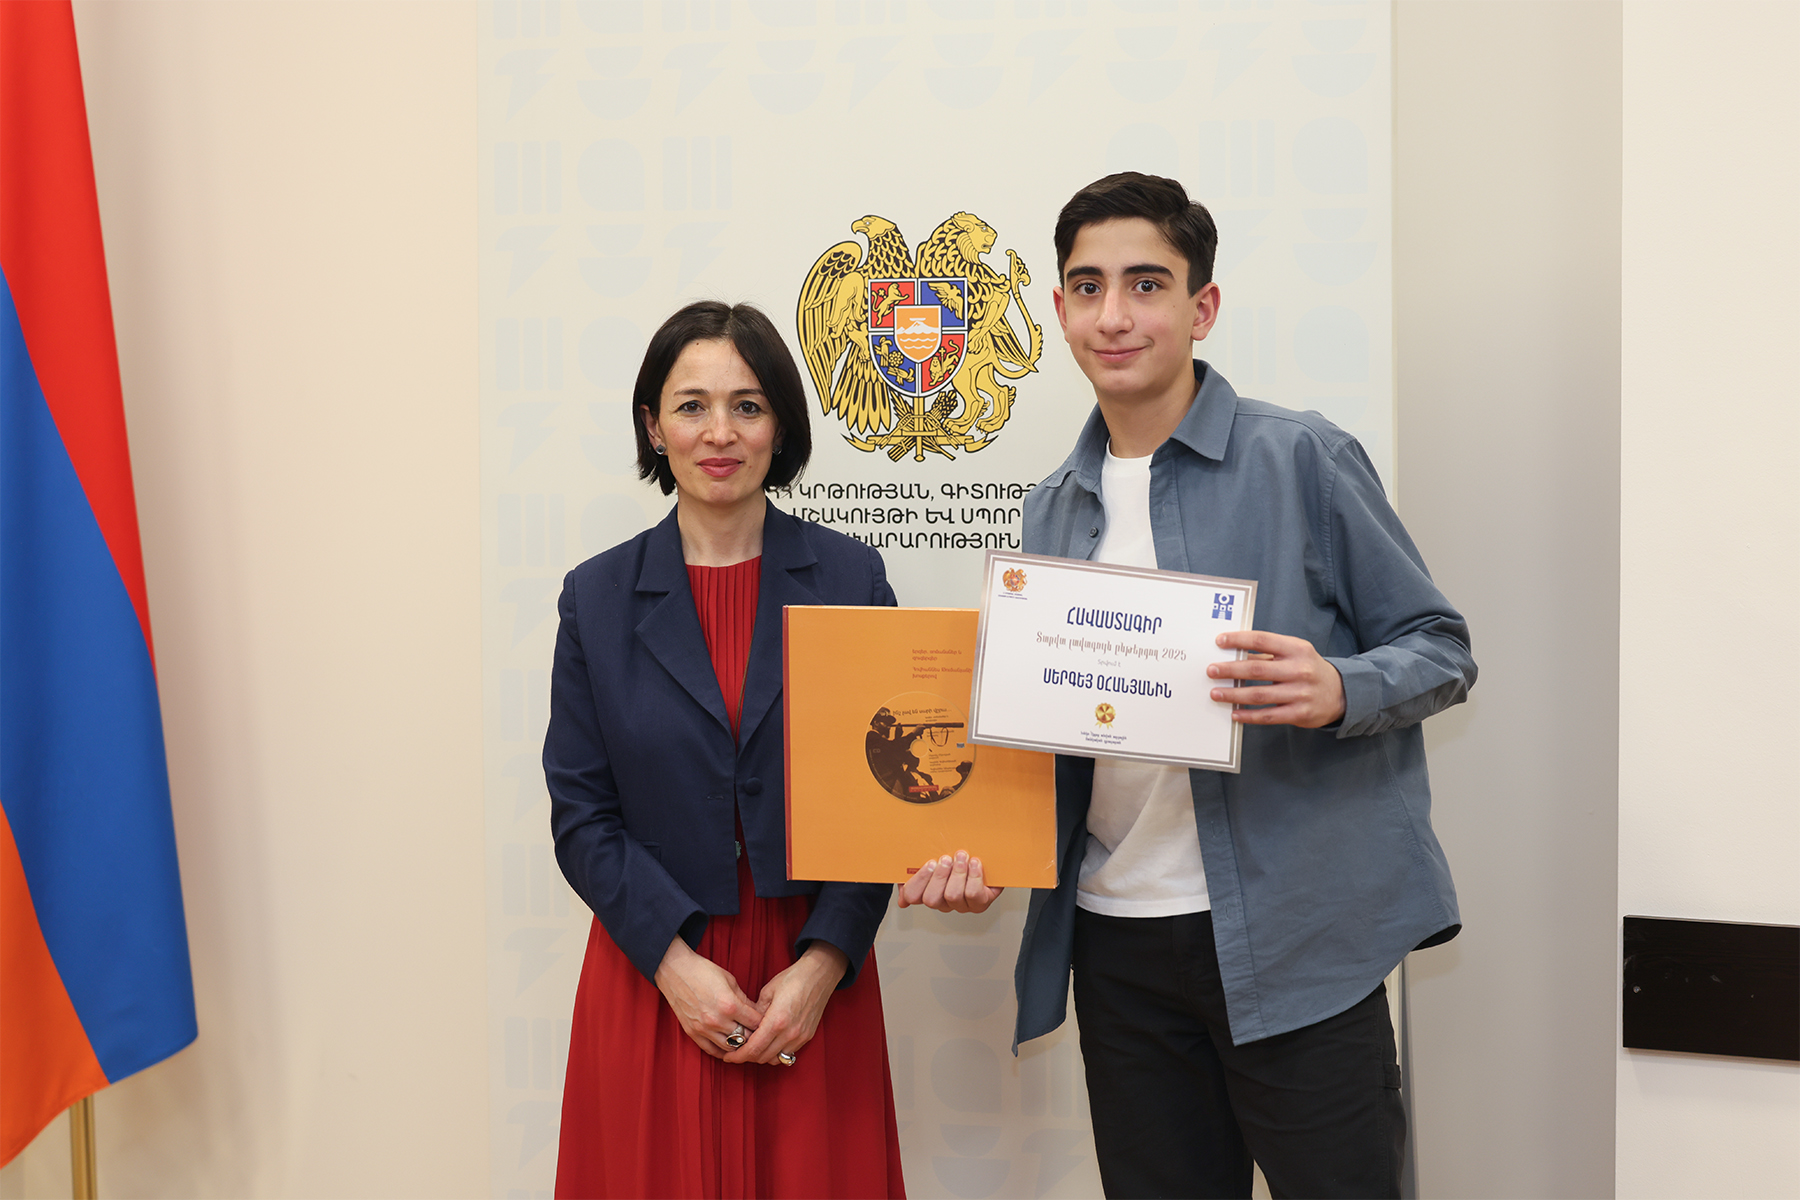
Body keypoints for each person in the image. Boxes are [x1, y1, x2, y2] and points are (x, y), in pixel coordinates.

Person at [901, 173, 1476, 1199]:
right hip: (1118, 947)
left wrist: (1340, 687)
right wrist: (983, 846)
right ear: (1060, 310)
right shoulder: (1051, 510)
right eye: (1088, 287)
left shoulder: (1302, 458)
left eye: (1146, 284)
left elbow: (1440, 646)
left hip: (1295, 941)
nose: (1114, 316)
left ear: (1201, 308)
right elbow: (1053, 737)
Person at [545, 301, 906, 1199]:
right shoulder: (595, 597)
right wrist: (675, 968)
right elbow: (581, 816)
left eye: (748, 406)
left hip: (810, 972)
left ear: (780, 425)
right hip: (655, 970)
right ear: (652, 426)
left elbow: (886, 802)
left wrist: (823, 967)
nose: (720, 433)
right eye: (691, 406)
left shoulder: (852, 579)